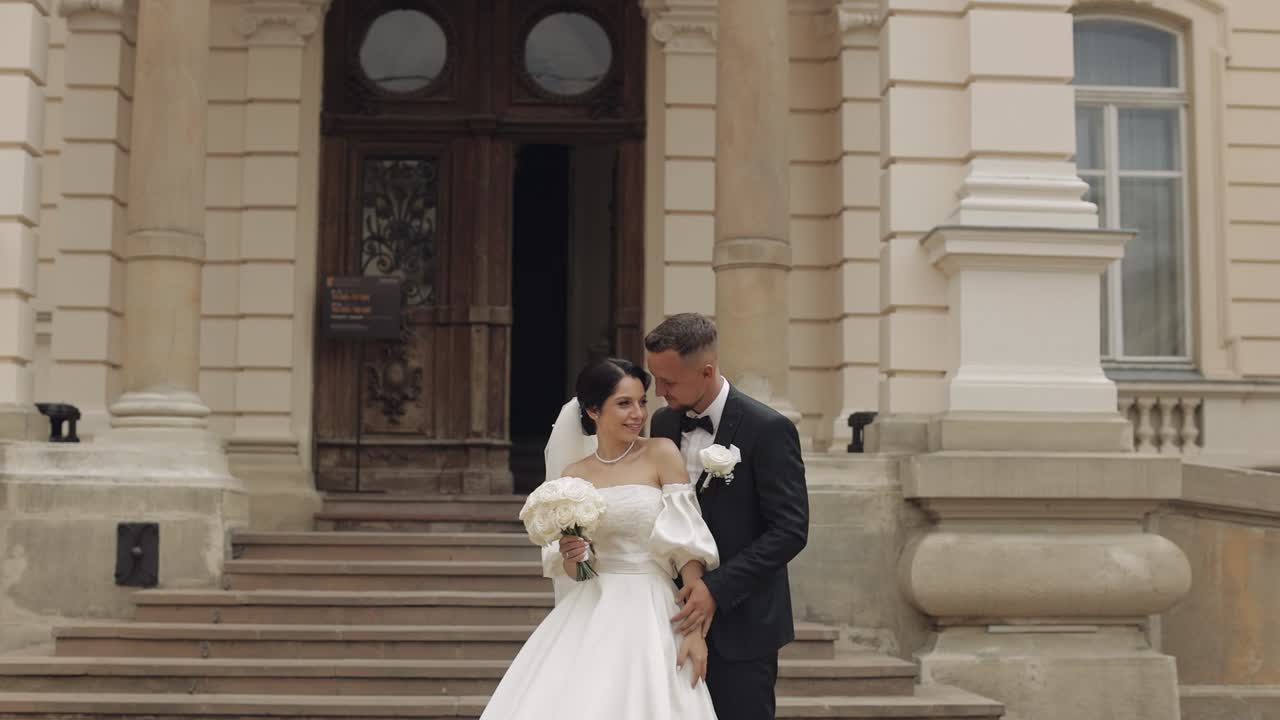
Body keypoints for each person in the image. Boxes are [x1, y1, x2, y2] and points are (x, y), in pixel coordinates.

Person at [478, 358, 720, 720]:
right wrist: (574, 555)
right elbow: (580, 572)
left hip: (653, 604)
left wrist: (695, 633)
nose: (637, 413)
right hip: (593, 604)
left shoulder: (661, 453)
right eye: (624, 403)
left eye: (641, 402)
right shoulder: (574, 476)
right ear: (593, 409)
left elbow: (686, 548)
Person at [642, 312, 810, 720]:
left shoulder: (768, 429)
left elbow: (790, 529)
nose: (659, 391)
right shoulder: (663, 422)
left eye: (669, 381)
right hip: (670, 618)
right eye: (655, 379)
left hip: (744, 625)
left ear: (707, 371)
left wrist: (716, 588)